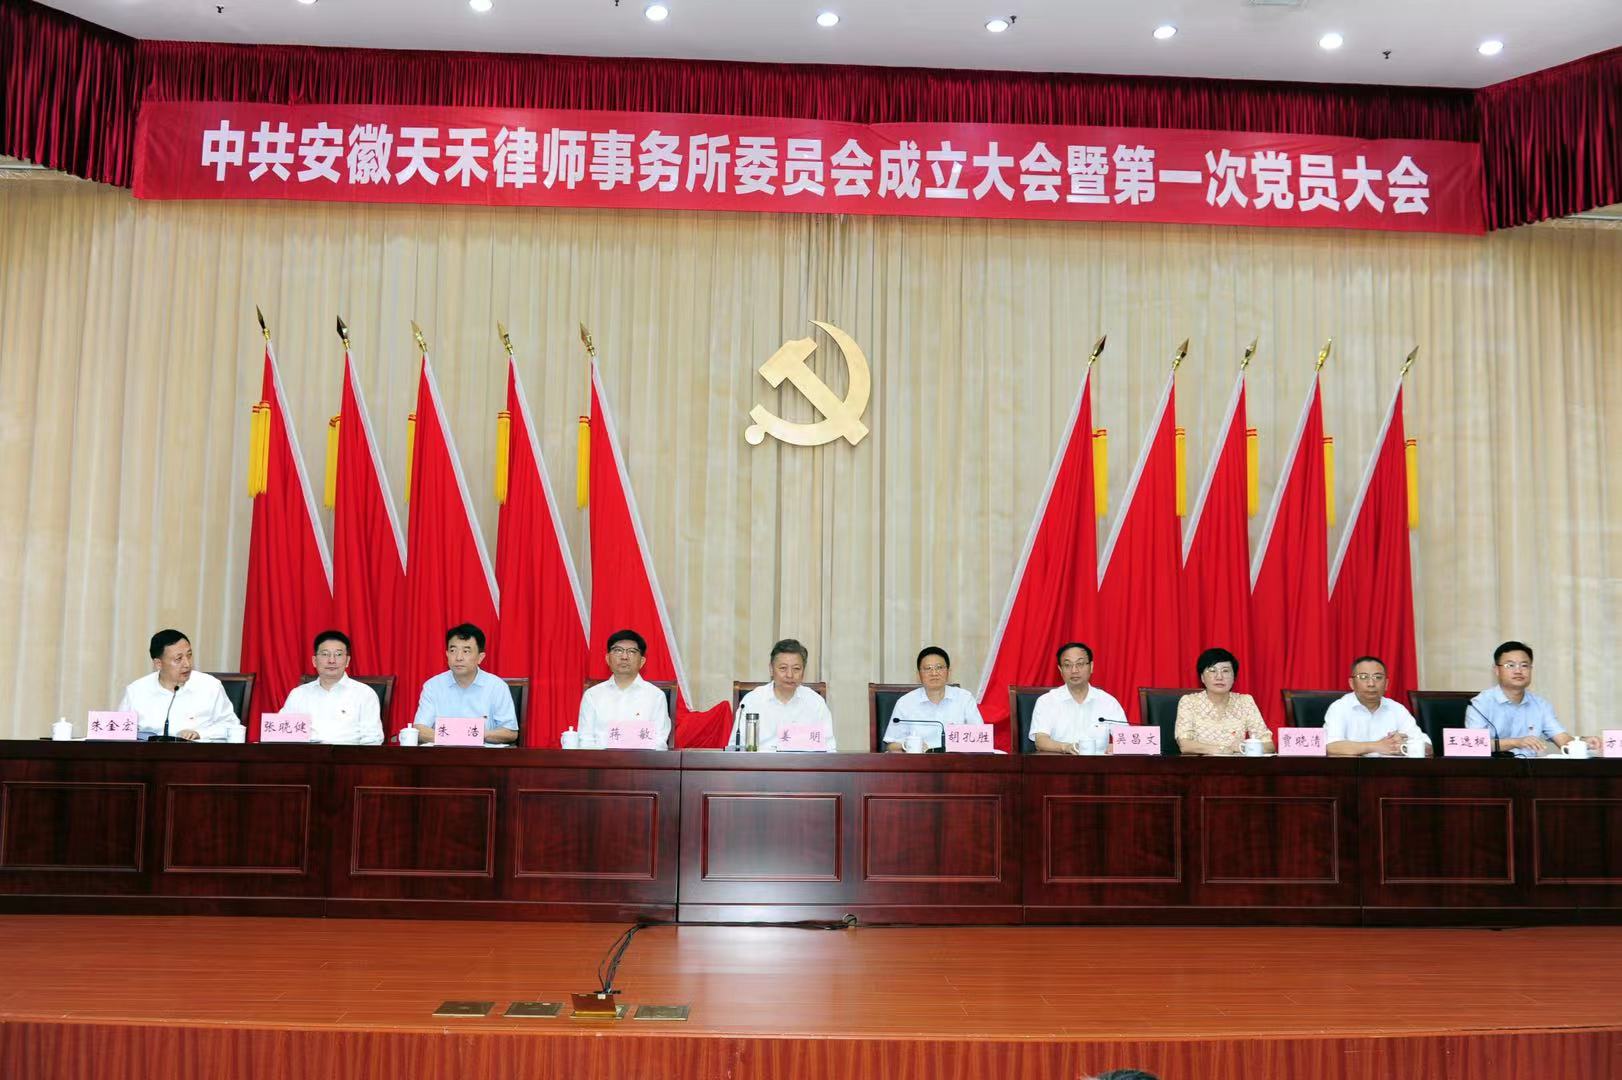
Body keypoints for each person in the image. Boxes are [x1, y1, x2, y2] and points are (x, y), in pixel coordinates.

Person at [1467, 640, 1598, 757]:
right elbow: (1472, 745)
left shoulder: (1540, 705)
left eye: (1524, 665)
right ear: (1496, 670)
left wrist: (1584, 742)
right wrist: (1516, 742)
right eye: (1510, 665)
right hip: (1491, 770)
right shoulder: (1480, 704)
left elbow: (1562, 739)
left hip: (1530, 770)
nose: (1518, 671)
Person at [117, 629, 238, 742]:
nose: (187, 664)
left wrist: (200, 734)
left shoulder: (210, 686)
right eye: (178, 659)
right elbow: (119, 732)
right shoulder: (136, 691)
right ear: (158, 664)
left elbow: (232, 726)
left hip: (198, 755)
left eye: (189, 655)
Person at [411, 623, 518, 745]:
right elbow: (420, 729)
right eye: (453, 650)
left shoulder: (497, 686)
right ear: (447, 654)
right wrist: (461, 736)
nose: (458, 657)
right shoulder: (433, 686)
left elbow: (510, 732)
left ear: (480, 657)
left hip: (483, 754)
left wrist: (478, 735)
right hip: (443, 754)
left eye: (466, 651)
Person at [278, 630, 383, 745]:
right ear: (314, 661)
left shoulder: (365, 694)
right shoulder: (298, 694)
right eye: (325, 654)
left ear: (347, 661)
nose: (331, 660)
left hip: (349, 755)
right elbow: (281, 733)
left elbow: (372, 740)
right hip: (306, 755)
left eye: (338, 654)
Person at [731, 638, 836, 752]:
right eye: (783, 668)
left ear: (803, 671)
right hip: (761, 763)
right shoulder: (752, 701)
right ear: (771, 669)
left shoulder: (816, 703)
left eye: (796, 669)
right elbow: (735, 749)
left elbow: (829, 750)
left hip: (803, 763)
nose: (789, 675)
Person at [577, 629, 672, 748]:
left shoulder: (656, 696)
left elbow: (659, 742)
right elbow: (585, 741)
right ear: (608, 658)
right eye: (618, 650)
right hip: (600, 760)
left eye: (632, 651)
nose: (624, 657)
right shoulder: (592, 695)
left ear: (642, 661)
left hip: (641, 759)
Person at [1030, 642, 1128, 754]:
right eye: (1067, 665)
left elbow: (1126, 738)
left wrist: (1118, 746)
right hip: (1060, 762)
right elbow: (1040, 741)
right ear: (1060, 670)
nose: (1074, 670)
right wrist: (1066, 747)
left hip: (1098, 764)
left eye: (1080, 664)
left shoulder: (1108, 702)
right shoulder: (1047, 701)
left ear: (1091, 666)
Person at [1324, 655, 1430, 757]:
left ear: (1386, 684)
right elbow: (1331, 746)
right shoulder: (1339, 708)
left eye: (1378, 677)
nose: (1371, 683)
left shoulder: (1397, 709)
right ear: (1352, 683)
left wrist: (1403, 747)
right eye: (1363, 677)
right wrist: (1377, 746)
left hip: (1391, 768)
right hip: (1353, 768)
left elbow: (1428, 747)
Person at [1174, 647, 1273, 755]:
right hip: (1200, 764)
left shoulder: (1245, 702)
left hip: (1237, 765)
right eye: (1212, 671)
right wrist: (1222, 749)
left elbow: (1269, 746)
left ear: (1234, 677)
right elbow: (1185, 745)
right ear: (1202, 677)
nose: (1219, 677)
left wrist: (1243, 747)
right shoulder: (1189, 702)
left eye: (1225, 671)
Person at [882, 646, 983, 751]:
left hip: (956, 760)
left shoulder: (964, 698)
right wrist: (907, 745)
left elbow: (981, 738)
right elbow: (891, 746)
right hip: (919, 760)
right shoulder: (905, 703)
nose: (934, 673)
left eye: (939, 667)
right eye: (928, 668)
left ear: (948, 672)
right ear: (918, 675)